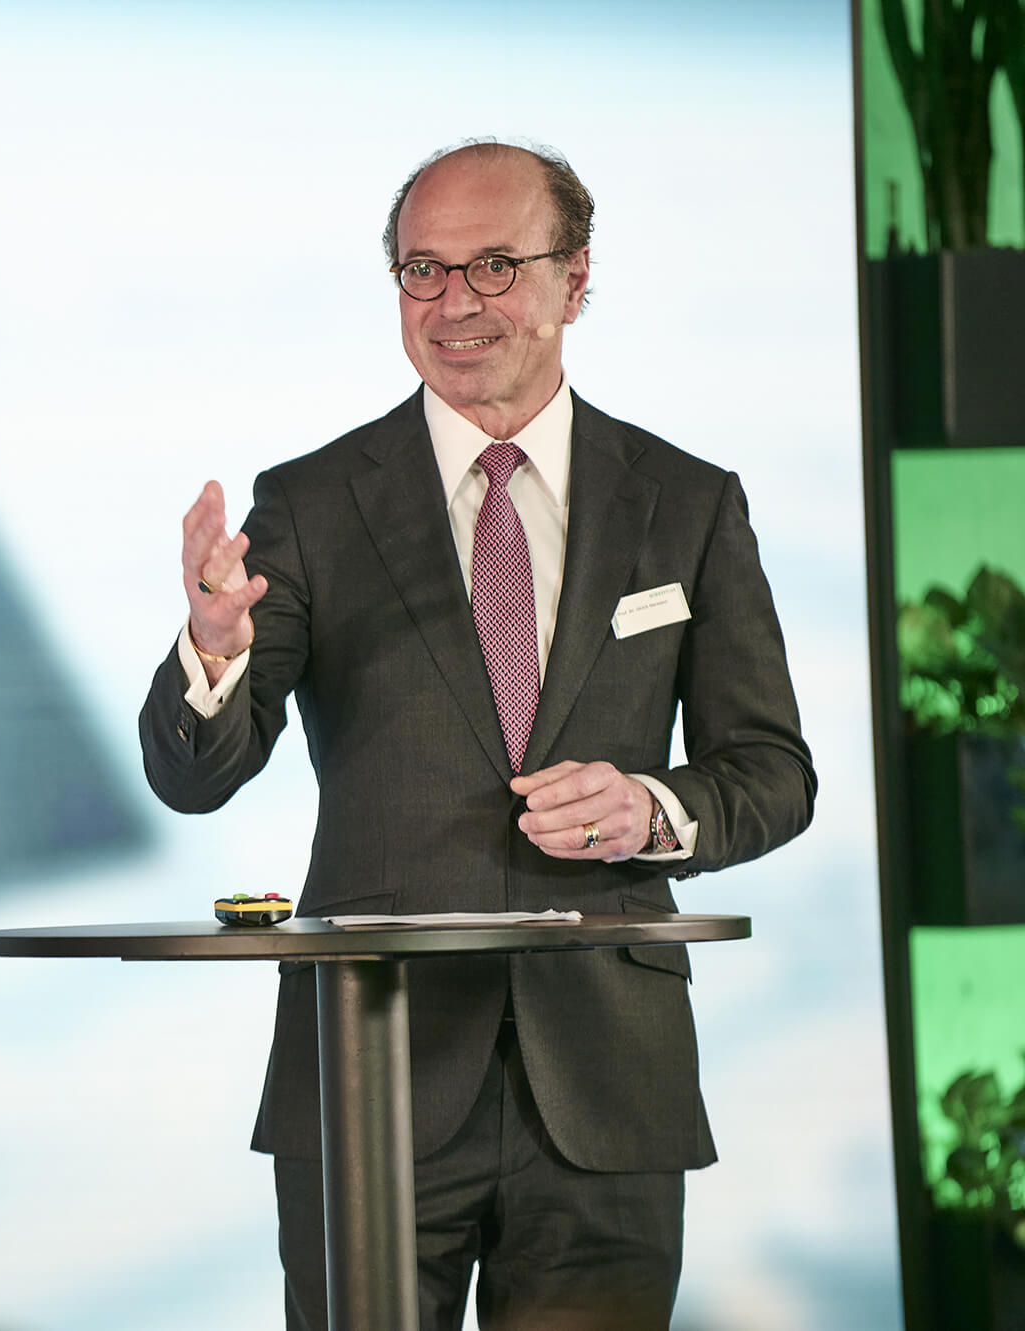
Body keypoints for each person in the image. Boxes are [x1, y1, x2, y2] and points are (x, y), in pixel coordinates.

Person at [136, 140, 816, 1330]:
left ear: (575, 276)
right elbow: (195, 775)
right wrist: (211, 646)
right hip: (371, 1076)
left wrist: (648, 809)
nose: (454, 303)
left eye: (494, 265)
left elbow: (770, 772)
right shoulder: (310, 503)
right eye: (422, 270)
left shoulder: (686, 500)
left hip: (607, 1077)